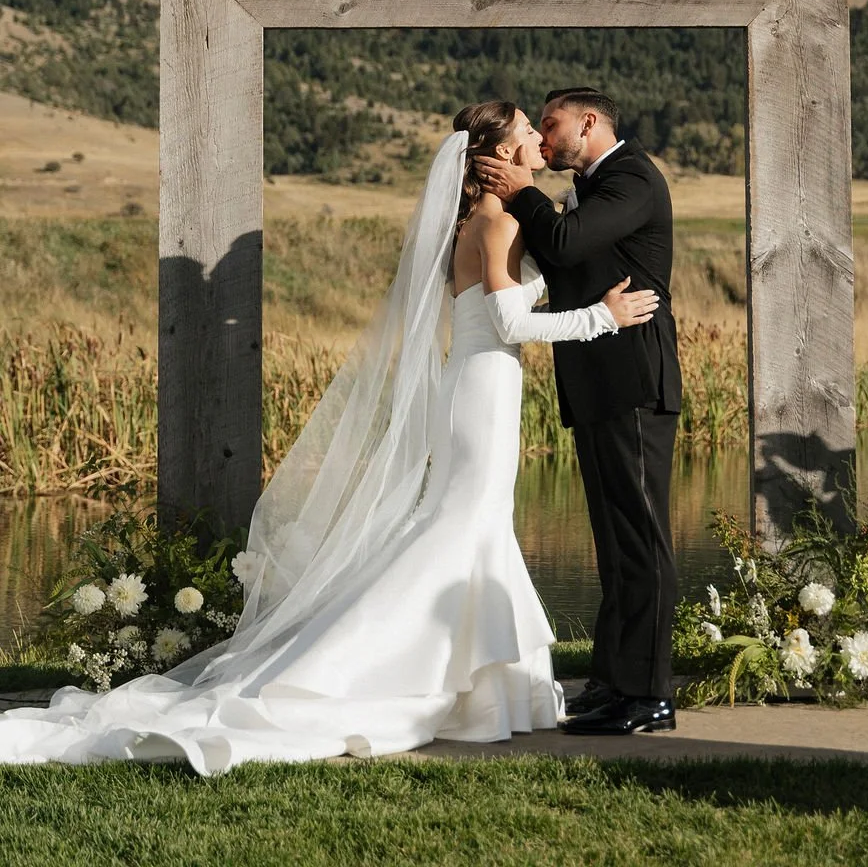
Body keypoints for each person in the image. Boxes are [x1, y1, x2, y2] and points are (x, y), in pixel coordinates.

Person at [0, 101, 657, 774]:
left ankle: (488, 694)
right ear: (493, 155)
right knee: (463, 526)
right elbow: (510, 324)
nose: (534, 137)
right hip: (483, 389)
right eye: (524, 130)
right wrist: (600, 319)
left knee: (476, 525)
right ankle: (371, 670)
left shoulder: (486, 220)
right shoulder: (495, 221)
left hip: (483, 384)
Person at [475, 87, 679, 736]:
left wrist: (518, 190)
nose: (546, 132)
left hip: (634, 386)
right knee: (615, 546)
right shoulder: (591, 187)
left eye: (553, 122)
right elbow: (568, 270)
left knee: (642, 544)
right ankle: (614, 683)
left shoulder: (632, 178)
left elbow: (563, 244)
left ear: (588, 123)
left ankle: (649, 698)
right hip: (596, 385)